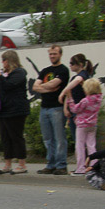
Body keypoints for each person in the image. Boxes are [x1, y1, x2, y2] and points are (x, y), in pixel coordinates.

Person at [0, 50, 29, 174]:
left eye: (4, 60)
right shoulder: (4, 74)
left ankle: (22, 164)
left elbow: (9, 85)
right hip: (3, 110)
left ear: (9, 60)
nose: (2, 63)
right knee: (5, 137)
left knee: (16, 137)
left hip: (16, 110)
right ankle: (8, 164)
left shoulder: (19, 72)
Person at [33, 45, 70, 175]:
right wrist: (47, 87)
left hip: (57, 108)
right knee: (48, 138)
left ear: (60, 54)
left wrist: (44, 87)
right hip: (44, 108)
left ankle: (61, 165)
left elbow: (55, 84)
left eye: (54, 54)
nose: (52, 56)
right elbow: (35, 87)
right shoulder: (45, 71)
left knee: (59, 138)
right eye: (50, 54)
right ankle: (51, 164)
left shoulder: (63, 70)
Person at [68, 78, 103, 175]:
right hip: (93, 124)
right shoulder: (98, 99)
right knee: (91, 146)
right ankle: (94, 166)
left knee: (80, 146)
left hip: (82, 125)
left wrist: (70, 99)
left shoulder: (85, 101)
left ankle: (80, 168)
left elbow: (75, 109)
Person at [58, 53, 93, 143]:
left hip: (81, 112)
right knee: (76, 139)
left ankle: (85, 156)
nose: (70, 65)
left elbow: (78, 80)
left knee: (81, 140)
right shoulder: (74, 78)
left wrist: (63, 92)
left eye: (72, 63)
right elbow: (70, 93)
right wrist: (66, 108)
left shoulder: (84, 75)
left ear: (80, 65)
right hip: (73, 110)